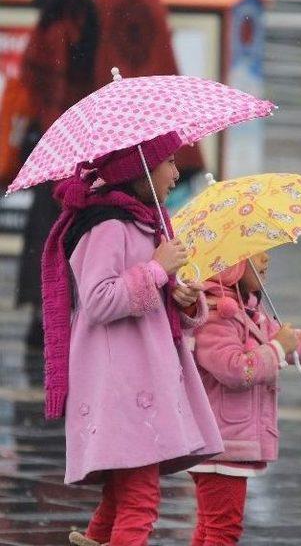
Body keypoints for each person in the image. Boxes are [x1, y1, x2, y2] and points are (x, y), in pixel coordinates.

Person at [16, 0, 203, 366]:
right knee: (74, 244)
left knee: (119, 248)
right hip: (85, 146)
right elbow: (49, 65)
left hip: (126, 146)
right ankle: (50, 332)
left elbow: (43, 66)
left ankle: (62, 332)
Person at [39, 131, 222, 546]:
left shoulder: (145, 222)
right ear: (141, 167)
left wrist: (183, 297)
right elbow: (100, 299)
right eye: (170, 162)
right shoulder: (106, 226)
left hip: (142, 380)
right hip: (120, 385)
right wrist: (157, 270)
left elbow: (153, 304)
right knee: (140, 500)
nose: (177, 172)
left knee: (122, 497)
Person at [188, 251, 301, 545]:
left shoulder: (248, 309)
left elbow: (291, 342)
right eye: (254, 253)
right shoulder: (215, 315)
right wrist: (275, 349)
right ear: (230, 265)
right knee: (223, 530)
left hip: (227, 441)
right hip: (222, 442)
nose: (266, 259)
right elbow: (236, 370)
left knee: (210, 526)